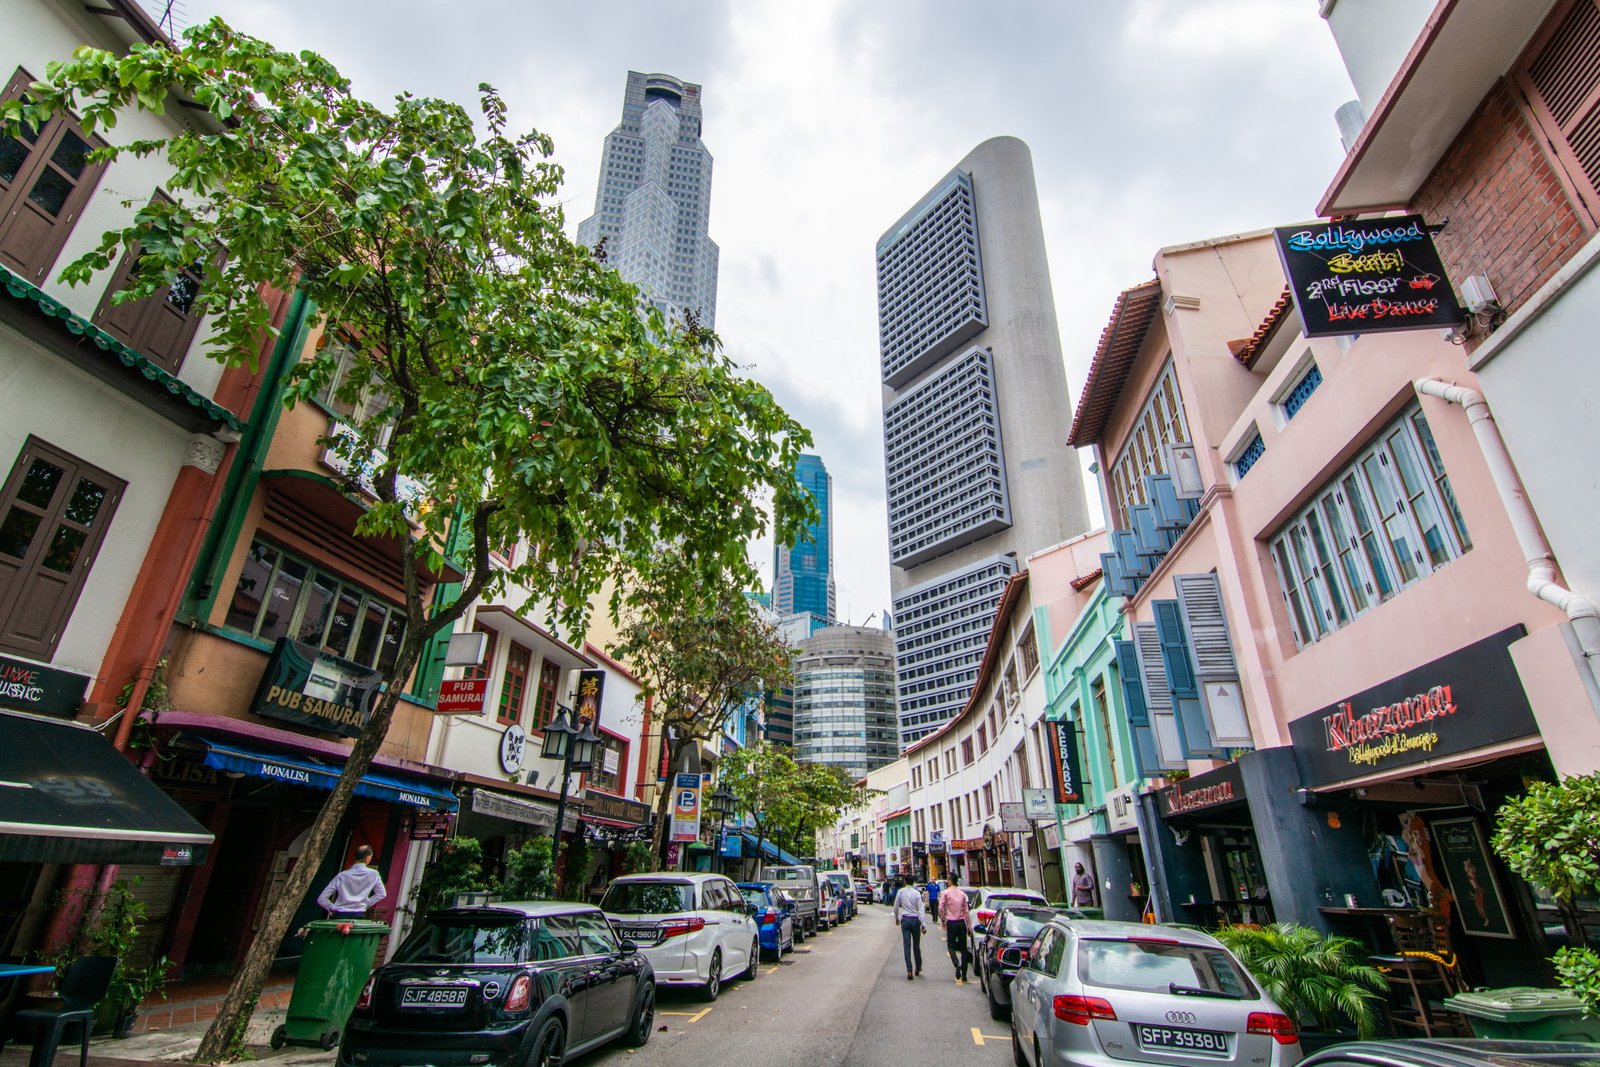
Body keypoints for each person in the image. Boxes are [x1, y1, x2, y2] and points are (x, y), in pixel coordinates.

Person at [318, 844, 387, 918]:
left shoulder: (342, 875)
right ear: (368, 858)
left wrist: (333, 907)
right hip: (359, 914)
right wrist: (366, 904)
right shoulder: (374, 874)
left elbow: (322, 899)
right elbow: (381, 894)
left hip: (340, 914)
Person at [892, 879, 929, 980]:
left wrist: (896, 918)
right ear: (913, 883)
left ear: (904, 882)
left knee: (906, 946)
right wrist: (924, 925)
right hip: (915, 920)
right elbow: (921, 910)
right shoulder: (917, 893)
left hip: (905, 920)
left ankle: (909, 970)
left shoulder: (900, 892)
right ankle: (918, 966)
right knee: (916, 945)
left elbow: (895, 907)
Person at [939, 880, 971, 983]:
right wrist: (969, 926)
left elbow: (941, 907)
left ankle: (957, 964)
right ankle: (965, 975)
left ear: (951, 881)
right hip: (961, 922)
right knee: (963, 949)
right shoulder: (962, 894)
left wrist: (943, 919)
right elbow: (966, 911)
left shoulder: (946, 893)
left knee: (951, 946)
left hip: (951, 923)